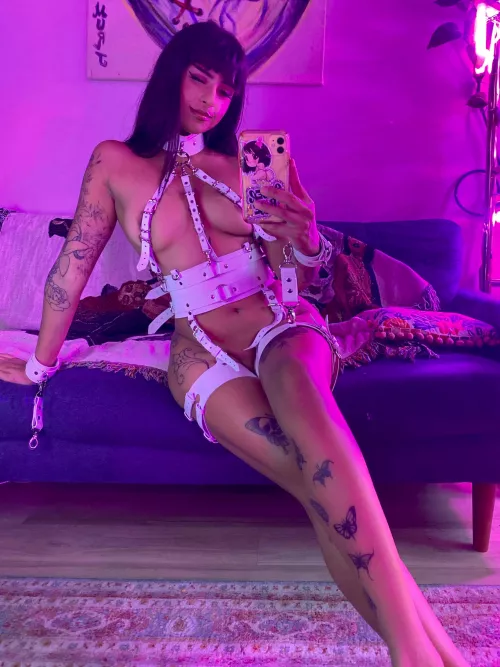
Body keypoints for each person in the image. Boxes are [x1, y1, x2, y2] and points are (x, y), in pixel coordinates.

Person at [0, 21, 468, 667]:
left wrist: (306, 237)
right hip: (198, 351)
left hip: (280, 323)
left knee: (319, 442)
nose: (211, 101)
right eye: (200, 80)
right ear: (173, 74)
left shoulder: (250, 162)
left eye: (226, 91)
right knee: (321, 488)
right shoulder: (116, 163)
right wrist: (40, 362)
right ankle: (430, 650)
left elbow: (292, 268)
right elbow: (72, 266)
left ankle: (414, 656)